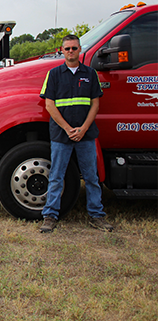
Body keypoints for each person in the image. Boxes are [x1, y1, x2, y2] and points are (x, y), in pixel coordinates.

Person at [39, 34, 113, 233]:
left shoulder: (91, 74)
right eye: (67, 48)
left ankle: (97, 215)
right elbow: (49, 105)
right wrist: (67, 128)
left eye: (74, 48)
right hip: (61, 134)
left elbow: (95, 104)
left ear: (80, 50)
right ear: (61, 51)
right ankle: (50, 216)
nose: (71, 51)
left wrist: (83, 129)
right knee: (56, 176)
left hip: (85, 135)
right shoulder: (53, 74)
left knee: (91, 177)